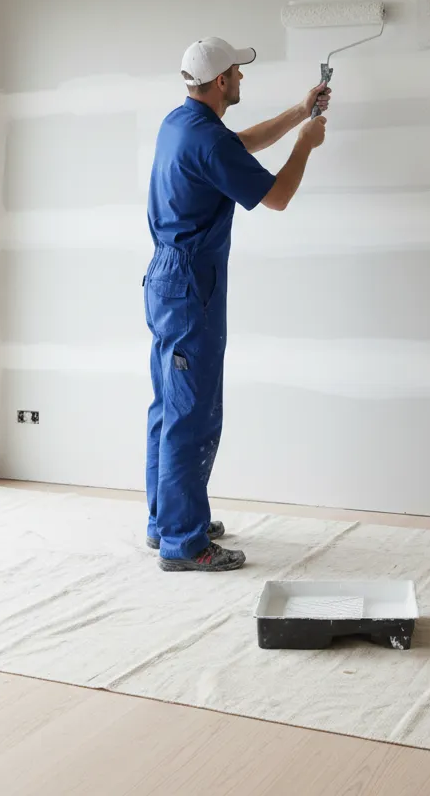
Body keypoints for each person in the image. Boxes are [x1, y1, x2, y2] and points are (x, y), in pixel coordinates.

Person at [144, 37, 330, 571]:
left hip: (166, 279)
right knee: (191, 413)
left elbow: (238, 145)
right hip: (189, 284)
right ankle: (185, 544)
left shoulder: (181, 124)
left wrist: (300, 110)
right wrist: (306, 143)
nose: (243, 79)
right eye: (238, 73)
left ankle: (168, 522)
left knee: (168, 407)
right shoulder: (205, 140)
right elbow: (277, 196)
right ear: (221, 81)